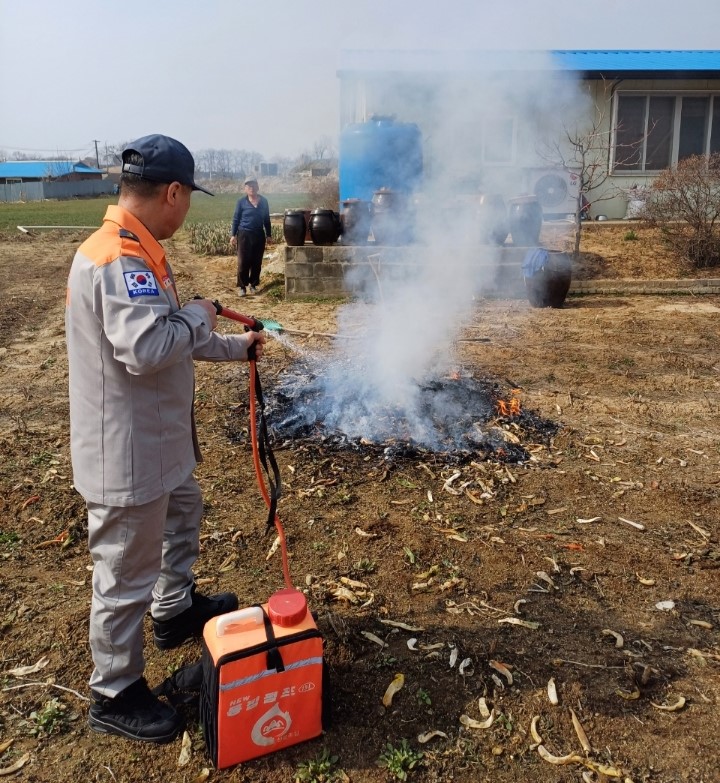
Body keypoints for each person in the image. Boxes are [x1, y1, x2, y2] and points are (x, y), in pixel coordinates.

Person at [65, 134, 266, 744]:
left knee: (185, 512)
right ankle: (115, 690)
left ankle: (174, 606)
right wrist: (202, 313)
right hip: (127, 452)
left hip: (162, 444)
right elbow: (150, 348)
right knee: (125, 572)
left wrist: (235, 346)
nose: (188, 211)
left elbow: (169, 333)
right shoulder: (117, 260)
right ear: (172, 193)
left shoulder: (140, 251)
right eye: (189, 198)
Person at [230, 175, 271, 296]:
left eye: (253, 185)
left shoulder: (264, 201)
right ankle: (242, 287)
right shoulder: (241, 202)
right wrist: (233, 235)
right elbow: (236, 219)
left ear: (257, 187)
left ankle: (253, 285)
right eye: (249, 186)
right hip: (244, 235)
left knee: (256, 262)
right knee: (243, 262)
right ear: (245, 189)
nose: (251, 188)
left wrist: (269, 235)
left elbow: (267, 220)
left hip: (259, 234)